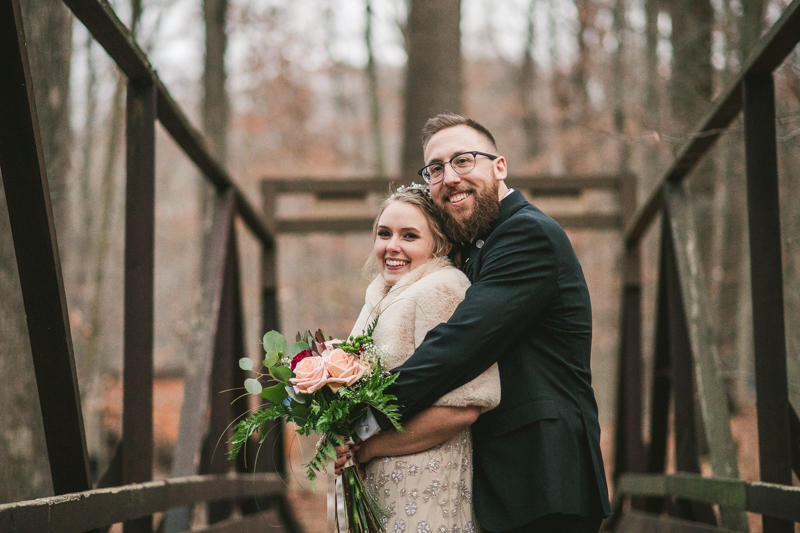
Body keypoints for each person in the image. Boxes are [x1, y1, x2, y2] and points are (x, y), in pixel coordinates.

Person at [362, 114, 612, 533]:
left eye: (463, 161)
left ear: (499, 167)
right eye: (435, 169)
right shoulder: (479, 244)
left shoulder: (526, 235)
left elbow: (461, 344)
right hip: (508, 479)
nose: (449, 177)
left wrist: (364, 417)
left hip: (543, 474)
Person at [347, 186, 501, 532]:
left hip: (424, 485)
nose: (392, 246)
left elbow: (463, 408)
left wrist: (370, 448)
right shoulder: (381, 295)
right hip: (382, 487)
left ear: (440, 244)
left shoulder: (442, 288)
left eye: (410, 236)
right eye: (384, 233)